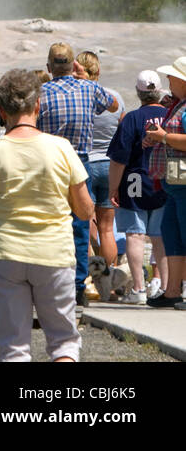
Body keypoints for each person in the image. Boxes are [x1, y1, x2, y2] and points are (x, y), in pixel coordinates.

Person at [0, 69, 92, 361]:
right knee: (63, 342)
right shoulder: (61, 148)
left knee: (14, 346)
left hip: (6, 254)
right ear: (38, 105)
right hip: (54, 253)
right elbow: (85, 210)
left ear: (0, 110)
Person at [37, 42, 116, 310]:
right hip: (79, 162)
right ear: (74, 65)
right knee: (80, 226)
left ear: (49, 67)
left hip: (49, 162)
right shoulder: (90, 88)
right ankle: (78, 286)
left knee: (47, 223)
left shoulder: (41, 93)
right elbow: (114, 105)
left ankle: (49, 284)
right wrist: (82, 77)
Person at [108, 70, 169, 305]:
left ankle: (139, 289)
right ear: (159, 91)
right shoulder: (170, 115)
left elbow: (119, 158)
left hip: (135, 180)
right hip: (162, 181)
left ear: (138, 92)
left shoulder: (132, 119)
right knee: (160, 237)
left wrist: (114, 188)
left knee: (134, 234)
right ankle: (165, 287)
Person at [75, 50, 123, 284]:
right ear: (99, 70)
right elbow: (122, 127)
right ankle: (108, 280)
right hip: (109, 165)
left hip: (84, 164)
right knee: (107, 228)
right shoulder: (114, 96)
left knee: (83, 225)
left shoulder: (77, 94)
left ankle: (86, 280)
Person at [143, 55, 186, 309]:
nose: (168, 80)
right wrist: (158, 138)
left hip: (182, 182)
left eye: (173, 77)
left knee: (182, 233)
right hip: (175, 182)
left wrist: (164, 137)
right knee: (172, 235)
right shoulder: (177, 105)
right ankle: (172, 291)